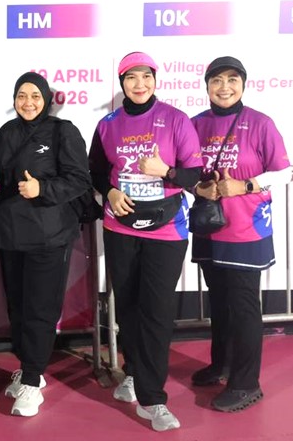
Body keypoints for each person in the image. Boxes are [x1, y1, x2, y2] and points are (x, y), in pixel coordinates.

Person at [88, 52, 202, 432]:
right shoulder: (108, 125)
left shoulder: (176, 120)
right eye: (131, 77)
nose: (140, 84)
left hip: (166, 231)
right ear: (122, 83)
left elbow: (194, 175)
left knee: (155, 310)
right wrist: (109, 192)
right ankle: (135, 372)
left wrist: (164, 171)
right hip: (120, 229)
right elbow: (96, 172)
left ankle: (152, 400)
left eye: (146, 76)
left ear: (155, 79)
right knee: (129, 307)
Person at [0, 72, 93, 417]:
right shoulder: (6, 132)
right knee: (17, 307)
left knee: (40, 309)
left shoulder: (63, 131)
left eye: (35, 95)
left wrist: (42, 189)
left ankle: (33, 381)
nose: (28, 102)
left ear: (47, 99)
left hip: (49, 236)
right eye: (22, 95)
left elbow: (79, 180)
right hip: (10, 235)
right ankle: (27, 367)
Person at [189, 56, 291, 412]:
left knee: (244, 306)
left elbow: (284, 173)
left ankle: (247, 383)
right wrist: (198, 186)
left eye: (232, 79)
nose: (225, 87)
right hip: (209, 226)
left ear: (243, 84)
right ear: (207, 86)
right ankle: (222, 364)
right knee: (218, 300)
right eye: (217, 80)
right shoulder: (195, 124)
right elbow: (187, 170)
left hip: (247, 230)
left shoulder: (260, 123)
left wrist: (245, 185)